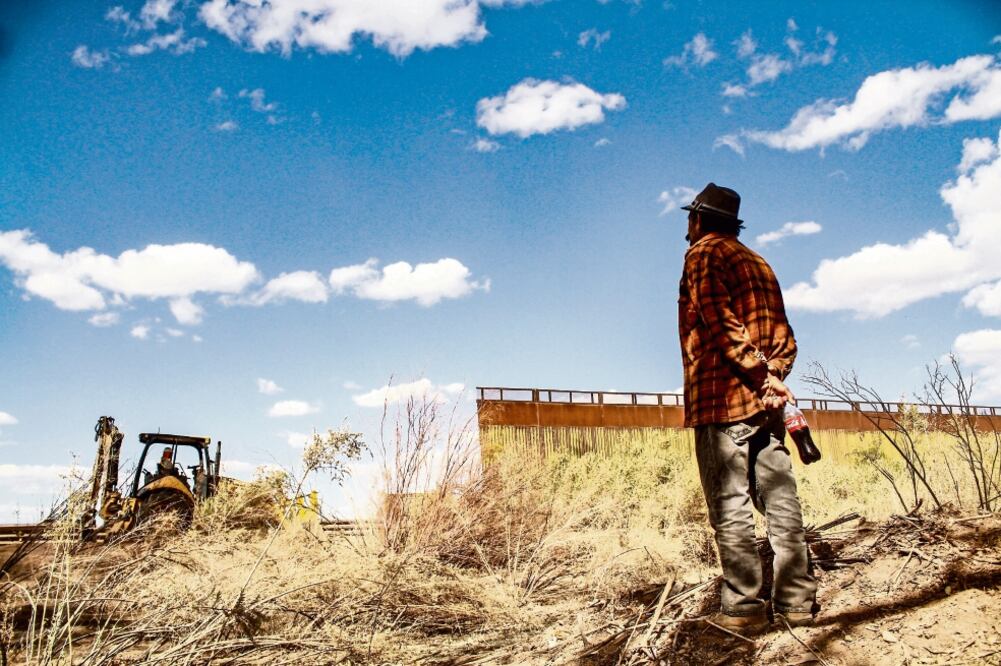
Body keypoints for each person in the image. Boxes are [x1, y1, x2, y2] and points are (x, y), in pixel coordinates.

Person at [678, 183, 817, 634]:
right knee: (781, 501)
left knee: (730, 506)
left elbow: (720, 322)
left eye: (689, 218)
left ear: (699, 220)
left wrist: (760, 376)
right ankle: (798, 603)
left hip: (721, 400)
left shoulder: (703, 254)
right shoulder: (760, 262)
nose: (687, 227)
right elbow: (786, 337)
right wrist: (774, 377)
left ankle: (743, 609)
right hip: (767, 403)